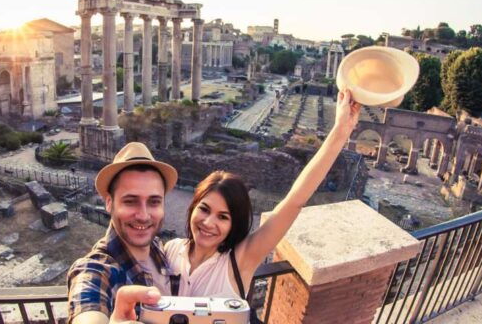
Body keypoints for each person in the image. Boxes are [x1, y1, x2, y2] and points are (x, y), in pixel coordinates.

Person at [164, 89, 360, 301]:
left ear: (234, 224)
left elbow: (294, 201)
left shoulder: (240, 261)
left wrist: (341, 131)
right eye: (204, 209)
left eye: (223, 217)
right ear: (193, 207)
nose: (209, 222)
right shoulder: (171, 249)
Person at [67, 142, 180, 324]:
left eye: (154, 202)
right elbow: (88, 304)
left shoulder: (157, 246)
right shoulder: (97, 268)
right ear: (109, 203)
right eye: (130, 201)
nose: (143, 216)